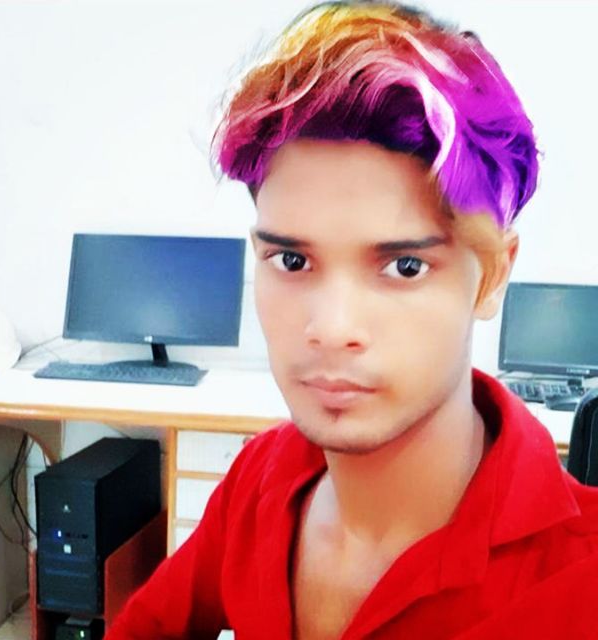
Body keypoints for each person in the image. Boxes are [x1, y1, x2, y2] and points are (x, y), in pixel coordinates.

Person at [105, 2, 598, 638]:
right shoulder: (262, 476)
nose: (332, 328)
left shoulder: (580, 582)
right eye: (292, 260)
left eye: (404, 268)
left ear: (493, 276)